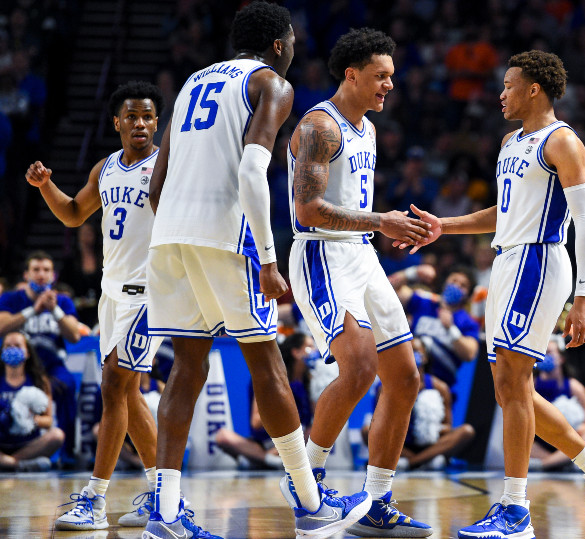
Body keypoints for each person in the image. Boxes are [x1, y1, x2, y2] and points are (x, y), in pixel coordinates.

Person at [146, 4, 370, 539]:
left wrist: (180, 229)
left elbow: (157, 183)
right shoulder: (271, 83)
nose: (294, 49)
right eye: (291, 41)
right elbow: (252, 171)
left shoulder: (192, 83)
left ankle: (165, 513)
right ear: (277, 44)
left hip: (169, 234)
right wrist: (268, 258)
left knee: (186, 368)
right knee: (267, 364)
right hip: (227, 235)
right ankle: (311, 502)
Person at [401, 50, 585, 539]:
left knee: (513, 382)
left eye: (509, 85)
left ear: (534, 89)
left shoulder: (562, 141)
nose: (501, 94)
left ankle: (515, 510)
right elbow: (503, 212)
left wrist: (584, 297)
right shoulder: (511, 142)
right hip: (507, 261)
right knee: (511, 389)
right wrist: (444, 226)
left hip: (539, 260)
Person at [285, 27, 433, 539]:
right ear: (351, 75)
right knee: (362, 366)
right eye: (380, 76)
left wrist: (383, 226)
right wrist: (381, 221)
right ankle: (306, 483)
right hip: (322, 254)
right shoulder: (319, 126)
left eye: (391, 76)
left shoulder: (365, 128)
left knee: (406, 378)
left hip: (361, 254)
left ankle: (376, 502)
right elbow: (308, 209)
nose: (389, 85)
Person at [25, 81, 168, 531]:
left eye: (147, 116)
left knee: (114, 386)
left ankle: (95, 500)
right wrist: (46, 186)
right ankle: (163, 498)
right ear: (117, 122)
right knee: (129, 395)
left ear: (156, 123)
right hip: (112, 295)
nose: (140, 123)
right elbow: (72, 213)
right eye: (132, 116)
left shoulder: (167, 166)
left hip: (150, 294)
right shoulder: (105, 169)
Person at [0, 251, 81, 463]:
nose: (41, 274)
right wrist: (32, 311)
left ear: (53, 276)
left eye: (46, 270)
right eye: (36, 269)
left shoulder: (63, 301)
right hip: (17, 368)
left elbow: (74, 335)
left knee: (68, 384)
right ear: (26, 274)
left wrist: (54, 310)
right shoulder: (11, 298)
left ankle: (68, 453)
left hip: (51, 367)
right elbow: (1, 326)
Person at [362, 339, 475, 471]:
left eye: (415, 351)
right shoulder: (386, 387)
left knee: (466, 431)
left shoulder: (440, 387)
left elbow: (448, 426)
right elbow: (380, 425)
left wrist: (430, 429)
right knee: (367, 430)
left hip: (432, 444)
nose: (411, 355)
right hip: (401, 445)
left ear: (425, 357)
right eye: (407, 352)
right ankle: (426, 461)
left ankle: (411, 463)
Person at [215, 333, 315, 469]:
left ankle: (260, 460)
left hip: (294, 441)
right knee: (223, 436)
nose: (314, 351)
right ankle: (267, 459)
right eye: (309, 347)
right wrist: (284, 403)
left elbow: (314, 420)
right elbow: (256, 422)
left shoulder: (309, 380)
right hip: (265, 442)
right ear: (296, 352)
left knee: (312, 431)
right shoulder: (269, 379)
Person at [392, 266, 479, 388]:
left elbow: (470, 354)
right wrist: (413, 273)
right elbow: (388, 289)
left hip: (438, 383)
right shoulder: (425, 301)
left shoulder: (467, 321)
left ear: (468, 294)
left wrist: (451, 329)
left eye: (463, 285)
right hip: (406, 370)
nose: (456, 286)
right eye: (454, 280)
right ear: (446, 282)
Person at [530, 335, 585, 471]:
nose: (544, 357)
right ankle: (562, 461)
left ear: (561, 358)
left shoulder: (575, 388)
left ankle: (546, 464)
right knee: (513, 438)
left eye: (549, 353)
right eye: (542, 353)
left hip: (568, 440)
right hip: (542, 442)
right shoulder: (531, 385)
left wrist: (574, 429)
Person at [0, 331, 65, 471]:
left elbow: (48, 421)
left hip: (28, 444)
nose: (12, 349)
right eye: (8, 346)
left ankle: (8, 463)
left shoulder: (39, 380)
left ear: (28, 352)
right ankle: (19, 465)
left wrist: (28, 420)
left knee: (57, 436)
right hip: (2, 442)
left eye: (17, 346)